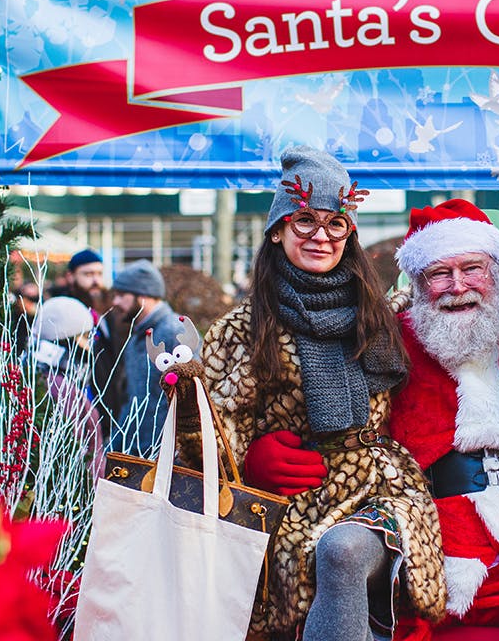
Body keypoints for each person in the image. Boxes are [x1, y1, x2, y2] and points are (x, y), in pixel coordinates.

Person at [180, 146, 445, 641]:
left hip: (379, 491)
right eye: (305, 221)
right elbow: (209, 442)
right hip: (289, 502)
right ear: (277, 230)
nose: (321, 235)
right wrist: (249, 461)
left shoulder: (380, 317)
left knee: (341, 552)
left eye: (335, 223)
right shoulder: (241, 329)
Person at [387, 199, 499, 641]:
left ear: (498, 273)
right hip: (437, 558)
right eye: (439, 273)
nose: (457, 285)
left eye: (472, 268)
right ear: (417, 282)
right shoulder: (389, 346)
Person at [109, 260, 184, 454]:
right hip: (139, 454)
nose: (115, 302)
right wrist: (115, 449)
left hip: (167, 460)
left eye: (121, 295)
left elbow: (192, 399)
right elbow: (133, 400)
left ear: (143, 295)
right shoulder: (138, 337)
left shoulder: (174, 332)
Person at [48, 249, 126, 433]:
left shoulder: (108, 310)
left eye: (99, 274)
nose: (95, 281)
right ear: (71, 276)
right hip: (80, 416)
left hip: (111, 412)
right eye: (88, 274)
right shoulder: (62, 312)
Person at [28, 296, 105, 474]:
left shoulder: (46, 375)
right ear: (69, 339)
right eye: (87, 336)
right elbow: (77, 453)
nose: (91, 344)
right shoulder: (60, 388)